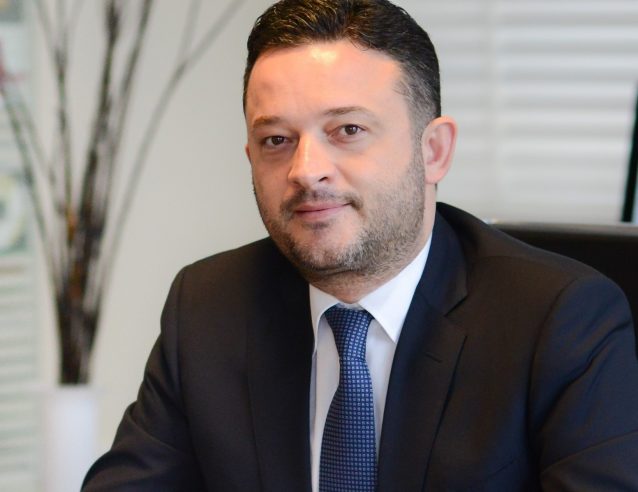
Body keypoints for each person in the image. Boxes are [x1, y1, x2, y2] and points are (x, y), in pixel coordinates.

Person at [82, 0, 638, 490]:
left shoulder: (561, 321)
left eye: (347, 130)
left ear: (434, 151)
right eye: (276, 140)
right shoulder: (208, 308)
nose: (306, 170)